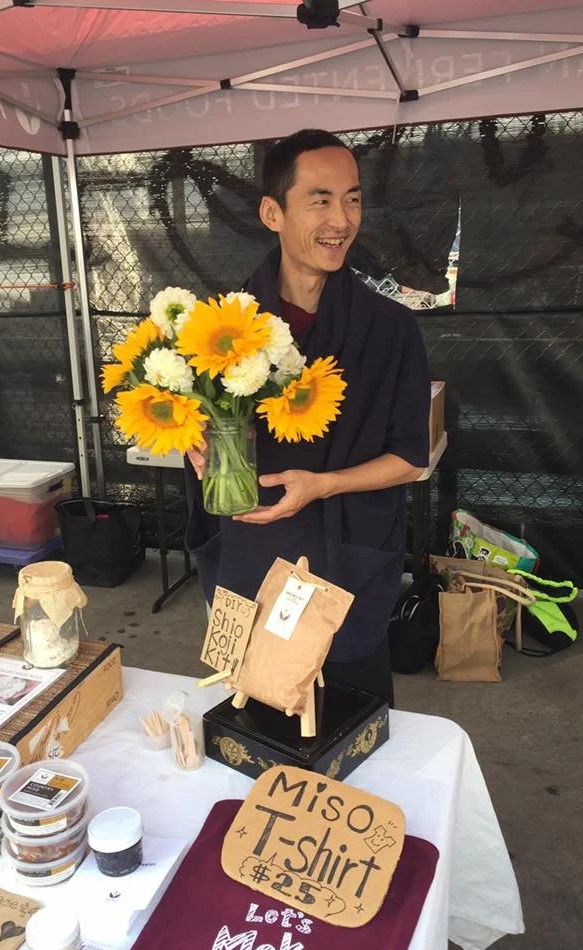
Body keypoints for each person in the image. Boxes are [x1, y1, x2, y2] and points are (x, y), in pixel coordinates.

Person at [185, 129, 430, 707]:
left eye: (353, 198)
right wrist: (195, 446)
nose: (341, 219)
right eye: (320, 199)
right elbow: (196, 422)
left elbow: (410, 459)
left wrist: (325, 485)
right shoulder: (220, 326)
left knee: (353, 728)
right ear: (273, 211)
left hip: (350, 558)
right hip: (247, 551)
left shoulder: (391, 329)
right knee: (244, 720)